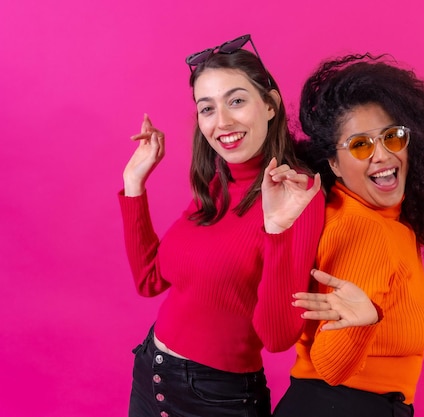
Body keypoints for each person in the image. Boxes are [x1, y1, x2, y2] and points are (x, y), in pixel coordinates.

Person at [273, 53, 424, 417]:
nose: (381, 155)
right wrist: (362, 322)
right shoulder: (363, 228)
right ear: (333, 163)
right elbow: (330, 368)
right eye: (361, 145)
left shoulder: (386, 215)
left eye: (393, 137)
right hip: (342, 406)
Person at [118, 34, 324, 417]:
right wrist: (134, 186)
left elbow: (278, 337)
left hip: (216, 400)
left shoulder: (299, 193)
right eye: (207, 108)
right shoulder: (219, 182)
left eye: (236, 101)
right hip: (151, 374)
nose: (222, 122)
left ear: (270, 105)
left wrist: (277, 231)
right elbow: (150, 280)